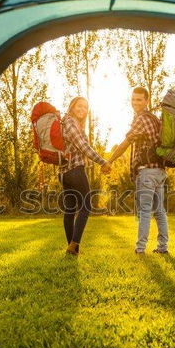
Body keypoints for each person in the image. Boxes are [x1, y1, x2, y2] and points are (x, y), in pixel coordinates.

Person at [108, 87, 168, 254]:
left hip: (147, 172)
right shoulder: (154, 119)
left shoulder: (141, 119)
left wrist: (110, 160)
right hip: (160, 172)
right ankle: (163, 247)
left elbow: (126, 143)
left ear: (146, 101)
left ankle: (140, 249)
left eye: (139, 100)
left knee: (144, 211)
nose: (135, 103)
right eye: (133, 99)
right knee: (159, 212)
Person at [59, 96, 111, 255]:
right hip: (74, 170)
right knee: (86, 206)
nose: (82, 109)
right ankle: (73, 244)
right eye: (79, 106)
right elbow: (84, 147)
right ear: (72, 106)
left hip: (63, 173)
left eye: (85, 107)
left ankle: (72, 249)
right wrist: (102, 162)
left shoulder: (65, 123)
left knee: (70, 210)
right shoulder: (70, 123)